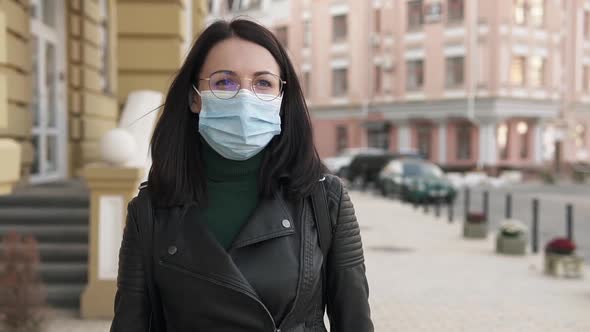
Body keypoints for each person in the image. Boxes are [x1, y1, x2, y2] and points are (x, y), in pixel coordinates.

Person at [110, 19, 373, 332]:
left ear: (281, 98)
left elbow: (355, 322)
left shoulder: (325, 200)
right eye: (224, 83)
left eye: (263, 83)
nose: (245, 98)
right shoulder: (150, 211)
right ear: (195, 97)